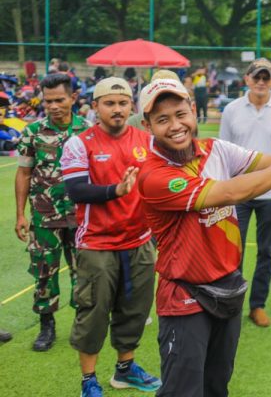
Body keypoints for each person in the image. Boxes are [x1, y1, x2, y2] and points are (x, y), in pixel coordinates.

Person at [136, 78, 271, 397]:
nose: (175, 126)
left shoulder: (215, 149)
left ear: (193, 109)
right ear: (147, 125)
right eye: (162, 119)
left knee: (217, 386)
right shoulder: (155, 176)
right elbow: (232, 192)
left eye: (180, 114)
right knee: (183, 392)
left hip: (227, 287)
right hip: (185, 295)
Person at [60, 77, 160, 397]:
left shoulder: (148, 141)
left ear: (132, 105)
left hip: (139, 241)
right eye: (109, 103)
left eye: (123, 103)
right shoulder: (80, 143)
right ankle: (88, 380)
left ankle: (125, 370)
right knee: (93, 312)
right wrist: (116, 190)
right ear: (95, 106)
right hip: (97, 244)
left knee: (135, 310)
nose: (117, 109)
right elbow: (76, 190)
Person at [219, 58, 271, 328]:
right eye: (257, 77)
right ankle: (232, 305)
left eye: (266, 77)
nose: (261, 82)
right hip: (238, 192)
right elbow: (223, 152)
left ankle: (258, 305)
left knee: (267, 252)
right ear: (247, 79)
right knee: (233, 251)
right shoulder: (231, 110)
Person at [15, 73, 91, 351]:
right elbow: (24, 173)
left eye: (59, 100)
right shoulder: (32, 132)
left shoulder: (89, 130)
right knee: (44, 271)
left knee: (84, 272)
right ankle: (46, 325)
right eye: (48, 101)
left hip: (81, 217)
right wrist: (20, 215)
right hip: (44, 216)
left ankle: (83, 324)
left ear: (73, 98)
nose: (54, 106)